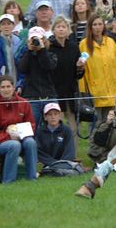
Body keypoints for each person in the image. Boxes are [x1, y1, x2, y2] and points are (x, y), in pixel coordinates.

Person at [0, 75, 38, 184]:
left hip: (21, 137)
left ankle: (32, 179)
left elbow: (31, 125)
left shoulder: (24, 103)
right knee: (14, 145)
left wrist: (21, 133)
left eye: (8, 86)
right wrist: (9, 137)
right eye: (3, 87)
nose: (6, 90)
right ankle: (8, 181)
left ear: (13, 87)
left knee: (31, 142)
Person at [48, 15, 83, 154]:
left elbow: (78, 75)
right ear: (53, 30)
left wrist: (80, 68)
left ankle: (72, 155)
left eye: (64, 27)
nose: (61, 30)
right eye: (58, 27)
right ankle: (55, 156)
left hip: (70, 93)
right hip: (54, 93)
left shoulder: (74, 47)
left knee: (73, 127)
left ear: (68, 30)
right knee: (55, 125)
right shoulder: (49, 47)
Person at [79, 14, 116, 127]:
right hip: (95, 93)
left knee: (112, 127)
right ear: (90, 27)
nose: (97, 27)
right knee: (96, 127)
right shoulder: (84, 44)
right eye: (94, 25)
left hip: (112, 91)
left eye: (100, 24)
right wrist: (83, 92)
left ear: (104, 26)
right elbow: (83, 70)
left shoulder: (111, 42)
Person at [18, 25, 58, 127]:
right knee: (32, 127)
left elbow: (48, 66)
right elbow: (22, 68)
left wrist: (42, 50)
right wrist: (30, 51)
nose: (35, 41)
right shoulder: (26, 55)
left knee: (52, 126)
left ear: (44, 40)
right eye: (33, 39)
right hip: (31, 97)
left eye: (39, 39)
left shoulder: (51, 55)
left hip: (49, 96)